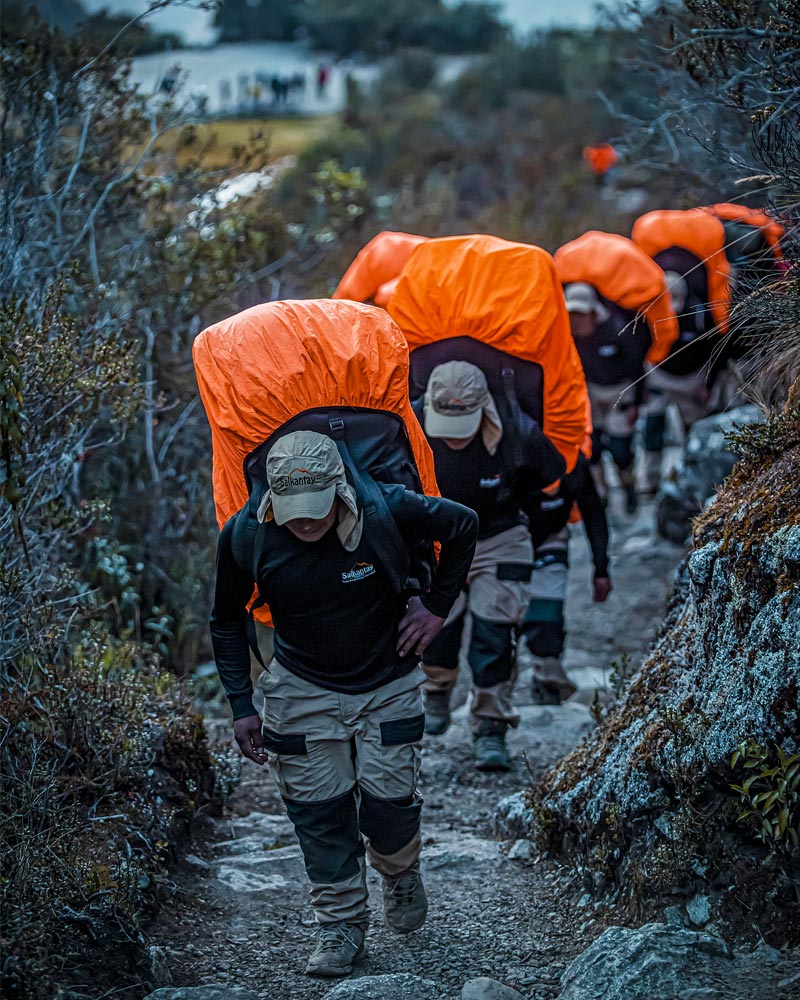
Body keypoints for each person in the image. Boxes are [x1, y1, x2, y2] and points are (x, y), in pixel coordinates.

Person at [210, 429, 477, 978]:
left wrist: (436, 607)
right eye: (293, 510)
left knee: (388, 804)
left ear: (341, 489)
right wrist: (241, 704)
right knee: (319, 813)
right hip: (301, 687)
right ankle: (340, 927)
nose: (306, 522)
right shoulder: (247, 534)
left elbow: (463, 524)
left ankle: (400, 873)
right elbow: (225, 620)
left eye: (317, 508)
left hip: (388, 682)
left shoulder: (386, 508)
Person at [415, 360, 566, 771]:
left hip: (498, 536)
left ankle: (490, 724)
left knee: (495, 630)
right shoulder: (406, 426)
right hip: (435, 543)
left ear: (484, 409)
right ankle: (436, 691)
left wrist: (540, 537)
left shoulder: (518, 432)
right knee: (435, 627)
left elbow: (554, 481)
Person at [631, 209, 732, 494]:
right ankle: (648, 483)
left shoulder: (704, 309)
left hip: (694, 378)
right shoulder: (647, 309)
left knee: (695, 428)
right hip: (659, 374)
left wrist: (709, 385)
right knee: (653, 426)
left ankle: (695, 476)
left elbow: (719, 345)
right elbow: (636, 346)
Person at [519, 450, 612, 704]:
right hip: (504, 533)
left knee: (546, 611)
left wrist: (601, 567)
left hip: (551, 534)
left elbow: (593, 511)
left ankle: (548, 677)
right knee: (500, 616)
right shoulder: (512, 448)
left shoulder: (576, 463)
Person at [561, 282, 646, 514]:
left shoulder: (616, 329)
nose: (576, 319)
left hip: (620, 392)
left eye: (580, 313)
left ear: (592, 311)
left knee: (620, 450)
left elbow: (637, 367)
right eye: (572, 314)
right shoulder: (568, 336)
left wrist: (635, 402)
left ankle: (629, 487)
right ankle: (601, 494)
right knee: (593, 448)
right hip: (590, 394)